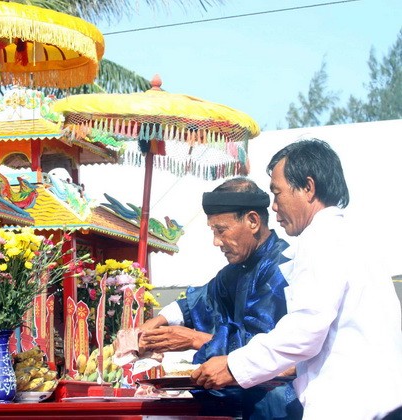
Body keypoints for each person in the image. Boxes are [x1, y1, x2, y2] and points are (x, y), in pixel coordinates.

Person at [191, 139, 402, 419]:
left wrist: (233, 366)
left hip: (351, 404)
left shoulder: (322, 239)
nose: (274, 207)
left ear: (308, 188)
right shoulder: (349, 234)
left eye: (277, 194)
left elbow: (304, 331)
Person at [140, 177, 302, 420]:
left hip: (277, 408)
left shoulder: (280, 270)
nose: (216, 242)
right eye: (213, 231)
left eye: (221, 230)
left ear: (252, 221)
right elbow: (202, 300)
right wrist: (159, 321)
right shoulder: (240, 267)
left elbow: (266, 349)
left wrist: (194, 339)